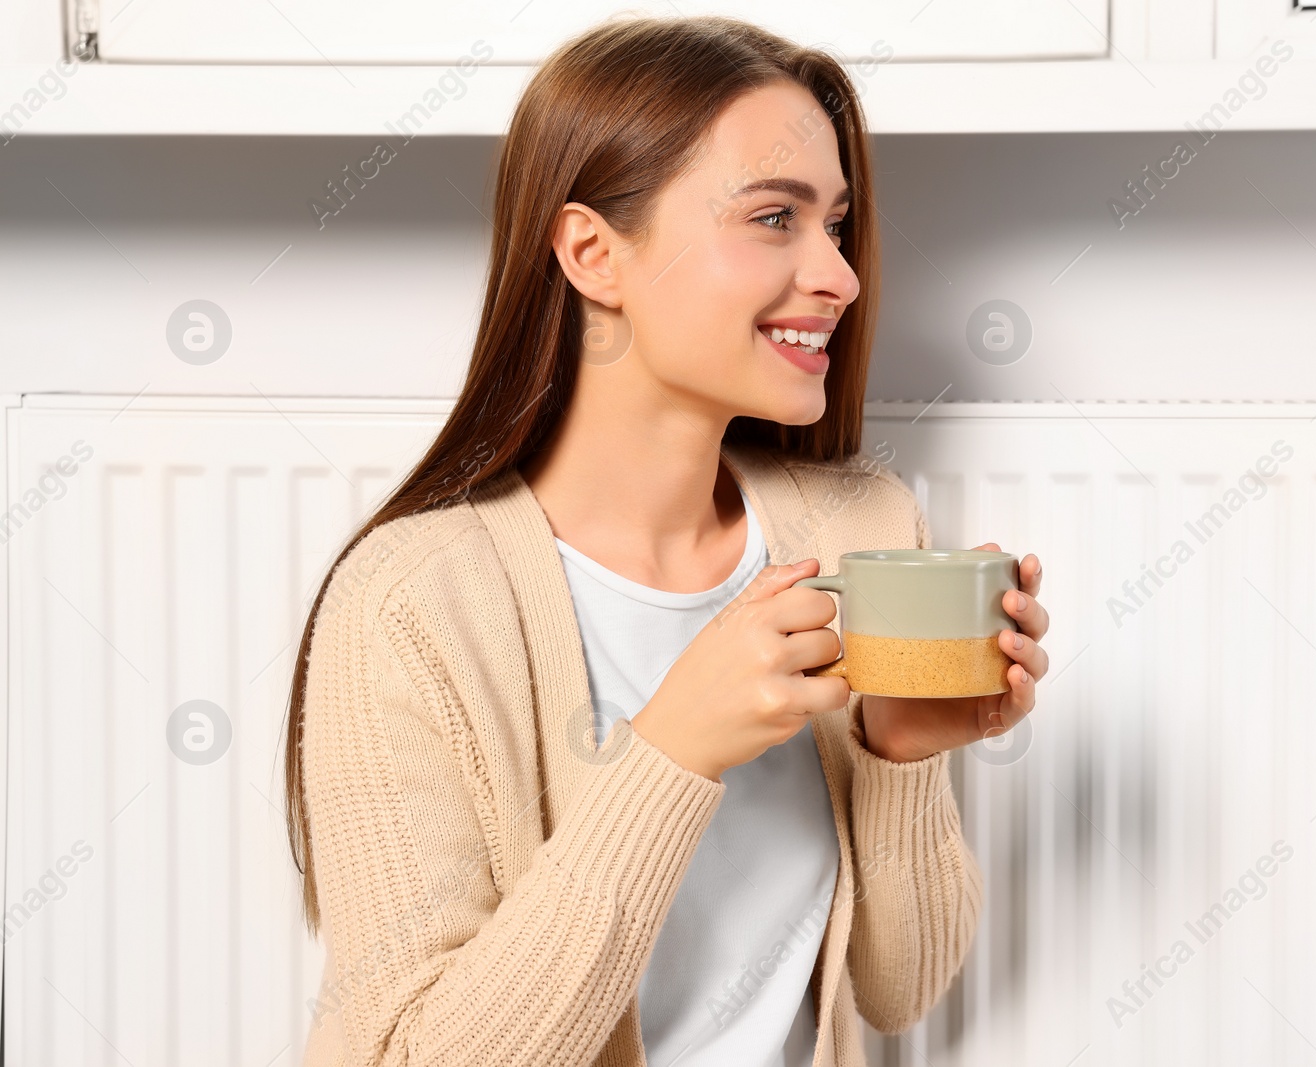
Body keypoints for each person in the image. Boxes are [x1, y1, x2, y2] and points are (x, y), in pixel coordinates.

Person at [283, 14, 1050, 1066]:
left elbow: (899, 990)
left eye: (835, 223)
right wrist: (673, 748)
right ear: (593, 253)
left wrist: (896, 753)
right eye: (774, 217)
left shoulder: (860, 527)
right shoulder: (412, 601)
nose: (841, 276)